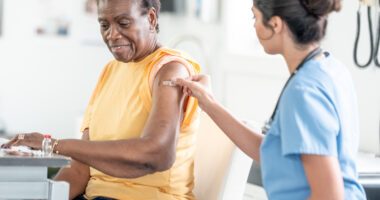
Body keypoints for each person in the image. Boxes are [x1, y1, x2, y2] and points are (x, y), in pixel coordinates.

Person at [2, 0, 201, 199]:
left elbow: (157, 154)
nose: (111, 35)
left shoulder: (171, 69)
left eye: (123, 23)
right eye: (104, 25)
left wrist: (52, 144)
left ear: (150, 18)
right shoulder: (110, 71)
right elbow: (79, 170)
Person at [175, 0, 367, 199]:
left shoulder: (303, 92)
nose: (253, 26)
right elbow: (272, 153)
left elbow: (329, 196)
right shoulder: (331, 69)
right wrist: (209, 102)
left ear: (275, 24)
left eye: (255, 17)